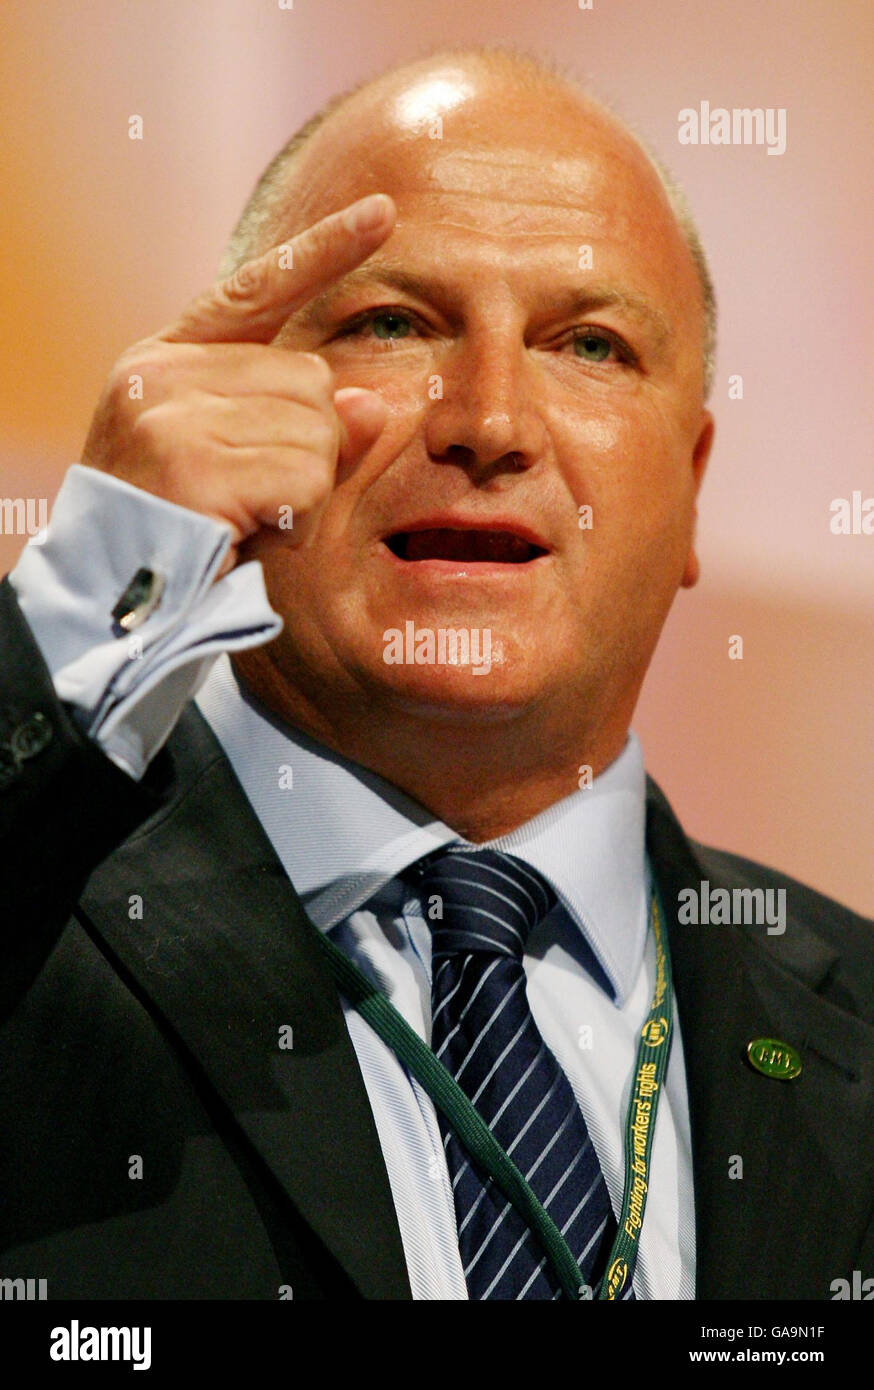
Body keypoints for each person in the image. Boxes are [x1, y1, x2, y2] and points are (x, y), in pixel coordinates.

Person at [1, 46, 871, 1303]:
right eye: (393, 323)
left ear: (691, 486)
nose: (490, 420)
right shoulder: (47, 926)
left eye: (589, 344)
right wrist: (98, 588)